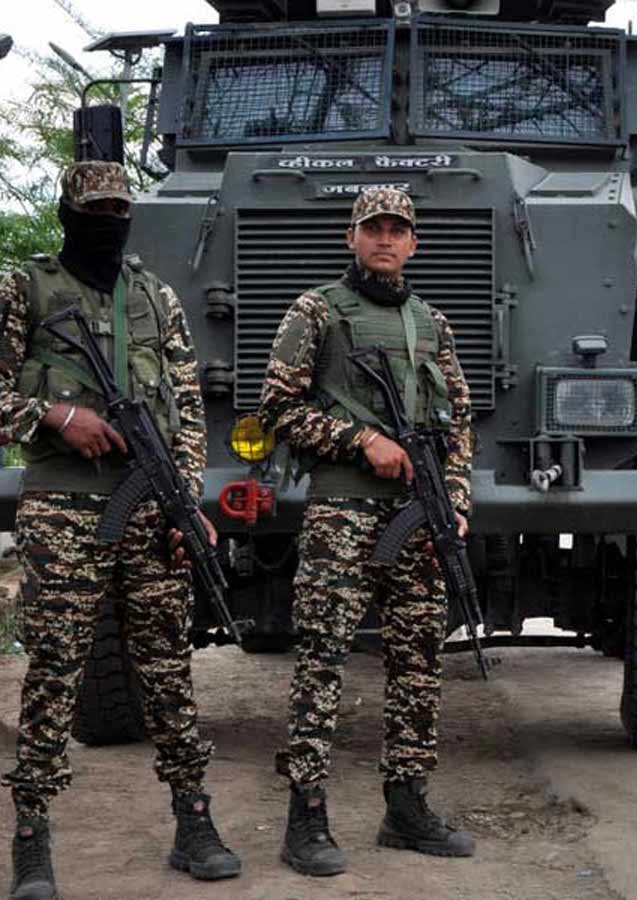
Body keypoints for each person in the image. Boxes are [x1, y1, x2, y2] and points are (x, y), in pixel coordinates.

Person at [0, 162, 241, 899]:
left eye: (119, 209)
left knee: (167, 669)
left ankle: (193, 820)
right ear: (68, 213)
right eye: (95, 209)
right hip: (62, 507)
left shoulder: (155, 297)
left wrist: (186, 502)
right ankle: (32, 839)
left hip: (150, 508)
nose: (109, 221)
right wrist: (55, 415)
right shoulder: (25, 288)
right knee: (55, 670)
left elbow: (188, 408)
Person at [259, 187, 475, 876]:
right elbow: (276, 409)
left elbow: (459, 423)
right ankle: (306, 817)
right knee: (322, 658)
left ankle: (406, 808)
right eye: (372, 227)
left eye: (397, 229)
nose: (385, 238)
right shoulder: (316, 311)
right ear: (350, 237)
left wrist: (456, 501)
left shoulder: (432, 323)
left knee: (418, 663)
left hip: (419, 515)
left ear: (414, 243)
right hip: (343, 512)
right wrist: (360, 440)